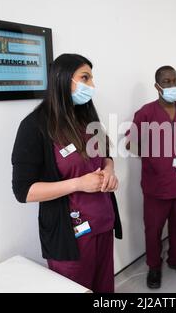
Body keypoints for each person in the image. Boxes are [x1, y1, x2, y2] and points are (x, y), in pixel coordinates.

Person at [11, 53, 122, 293]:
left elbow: (105, 156)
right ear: (62, 79)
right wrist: (77, 184)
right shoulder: (34, 127)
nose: (92, 86)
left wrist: (109, 171)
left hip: (102, 224)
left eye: (92, 79)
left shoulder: (86, 117)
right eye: (85, 78)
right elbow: (24, 191)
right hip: (69, 237)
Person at [126, 66, 176, 289]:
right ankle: (154, 267)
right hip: (156, 186)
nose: (172, 85)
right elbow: (130, 144)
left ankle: (175, 260)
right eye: (167, 81)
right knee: (154, 229)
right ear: (157, 86)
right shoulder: (146, 113)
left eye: (175, 80)